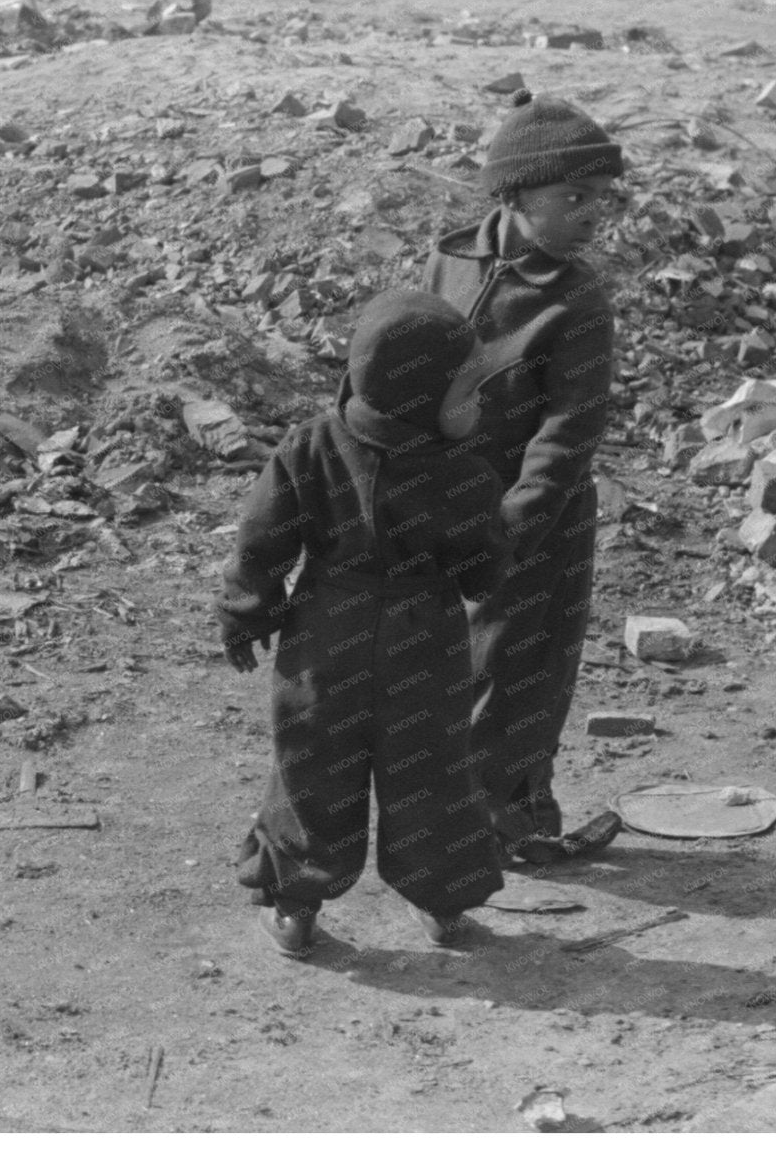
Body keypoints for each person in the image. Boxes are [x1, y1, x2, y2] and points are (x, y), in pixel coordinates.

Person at [217, 291, 511, 959]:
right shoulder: (462, 471)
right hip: (424, 638)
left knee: (313, 764)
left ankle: (294, 903)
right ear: (420, 394)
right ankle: (441, 897)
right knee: (430, 765)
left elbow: (262, 539)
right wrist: (496, 557)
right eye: (468, 390)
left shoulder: (311, 445)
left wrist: (247, 612)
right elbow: (484, 565)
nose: (482, 404)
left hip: (326, 635)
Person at [422, 88, 624, 865]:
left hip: (541, 519)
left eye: (599, 201)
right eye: (573, 197)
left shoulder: (578, 301)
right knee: (445, 664)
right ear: (513, 194)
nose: (590, 215)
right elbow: (409, 363)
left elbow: (571, 430)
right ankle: (456, 817)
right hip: (447, 499)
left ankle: (514, 819)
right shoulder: (450, 258)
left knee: (523, 671)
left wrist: (515, 523)